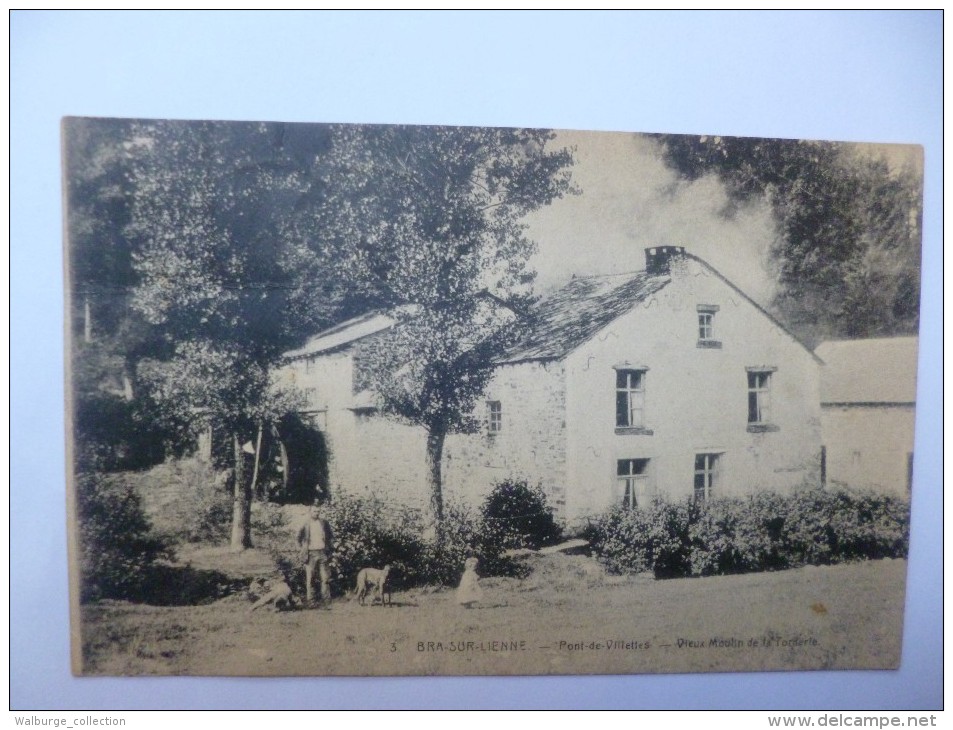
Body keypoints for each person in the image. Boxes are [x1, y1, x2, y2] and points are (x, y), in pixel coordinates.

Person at [297, 501, 333, 607]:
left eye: (318, 511)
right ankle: (311, 602)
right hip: (310, 554)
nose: (316, 513)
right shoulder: (306, 524)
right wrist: (302, 549)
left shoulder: (324, 522)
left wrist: (329, 549)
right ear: (310, 512)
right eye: (314, 511)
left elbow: (330, 536)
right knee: (310, 578)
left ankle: (326, 602)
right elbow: (298, 538)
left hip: (322, 553)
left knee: (325, 578)